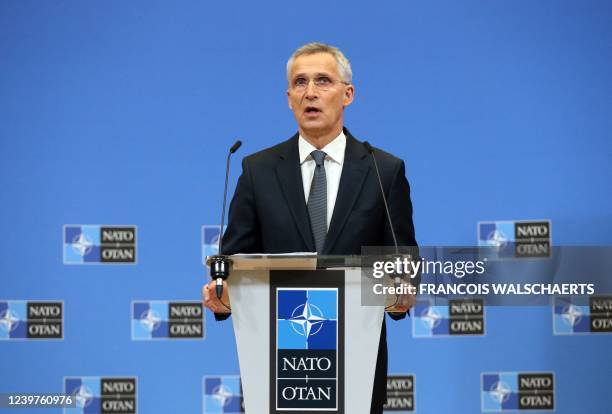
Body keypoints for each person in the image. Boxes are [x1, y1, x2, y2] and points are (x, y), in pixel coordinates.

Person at [202, 42, 418, 414]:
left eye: (323, 81)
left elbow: (402, 259)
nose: (310, 92)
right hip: (276, 365)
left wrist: (402, 295)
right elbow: (234, 260)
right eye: (299, 83)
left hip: (357, 363)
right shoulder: (258, 170)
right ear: (289, 98)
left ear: (348, 94)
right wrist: (223, 298)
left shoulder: (384, 170)